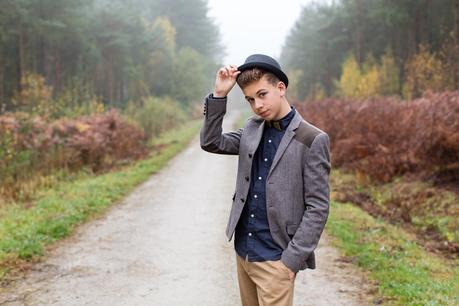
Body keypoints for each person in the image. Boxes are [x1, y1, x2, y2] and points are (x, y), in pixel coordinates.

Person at [200, 53, 331, 306]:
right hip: (244, 251)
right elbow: (211, 142)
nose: (257, 105)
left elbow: (318, 207)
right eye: (250, 99)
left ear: (280, 88)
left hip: (276, 258)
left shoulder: (312, 138)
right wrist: (219, 95)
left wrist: (290, 261)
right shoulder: (252, 128)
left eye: (262, 94)